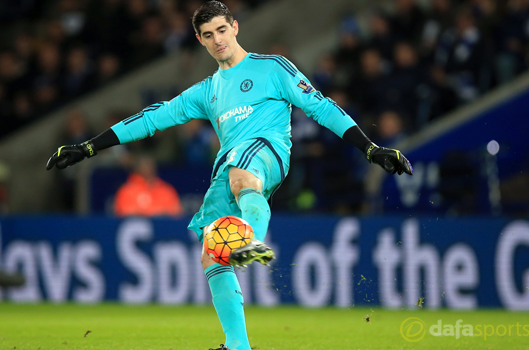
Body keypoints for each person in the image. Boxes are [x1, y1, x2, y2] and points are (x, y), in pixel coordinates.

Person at [46, 2, 413, 349]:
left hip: (266, 152)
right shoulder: (207, 91)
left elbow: (321, 107)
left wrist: (370, 148)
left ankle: (248, 239)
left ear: (235, 27)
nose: (218, 39)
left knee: (241, 176)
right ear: (200, 40)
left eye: (222, 29)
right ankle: (239, 343)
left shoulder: (273, 68)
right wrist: (89, 146)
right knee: (210, 253)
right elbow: (151, 118)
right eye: (208, 34)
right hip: (228, 167)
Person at [113, 155, 182, 217]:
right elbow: (123, 212)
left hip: (164, 229)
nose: (149, 168)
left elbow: (176, 212)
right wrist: (153, 213)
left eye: (151, 166)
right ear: (137, 169)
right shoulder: (127, 190)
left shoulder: (166, 189)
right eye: (145, 165)